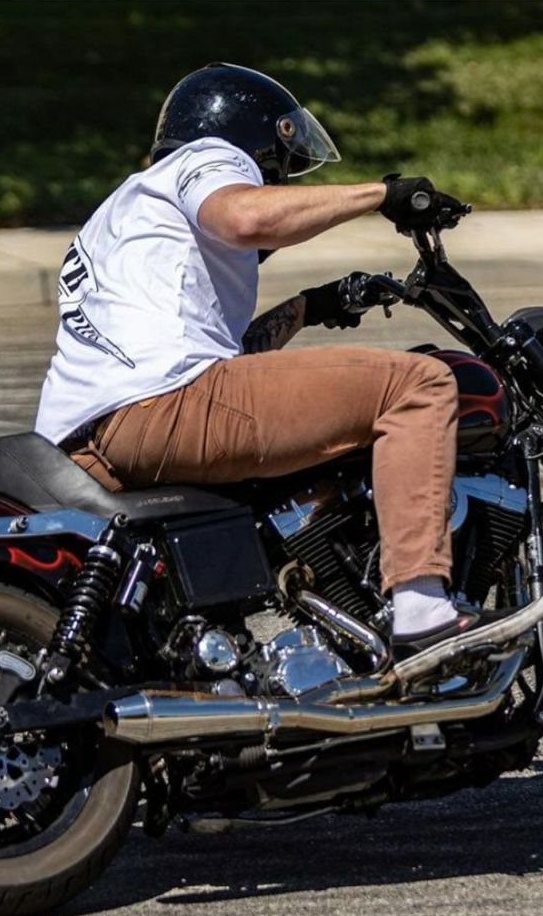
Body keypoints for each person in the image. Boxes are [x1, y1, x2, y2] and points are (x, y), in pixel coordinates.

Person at [34, 62, 500, 654]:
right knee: (419, 384)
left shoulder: (124, 212)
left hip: (92, 437)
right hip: (161, 405)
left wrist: (312, 306)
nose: (281, 180)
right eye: (281, 164)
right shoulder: (207, 157)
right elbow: (246, 217)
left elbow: (228, 360)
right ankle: (420, 606)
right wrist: (384, 194)